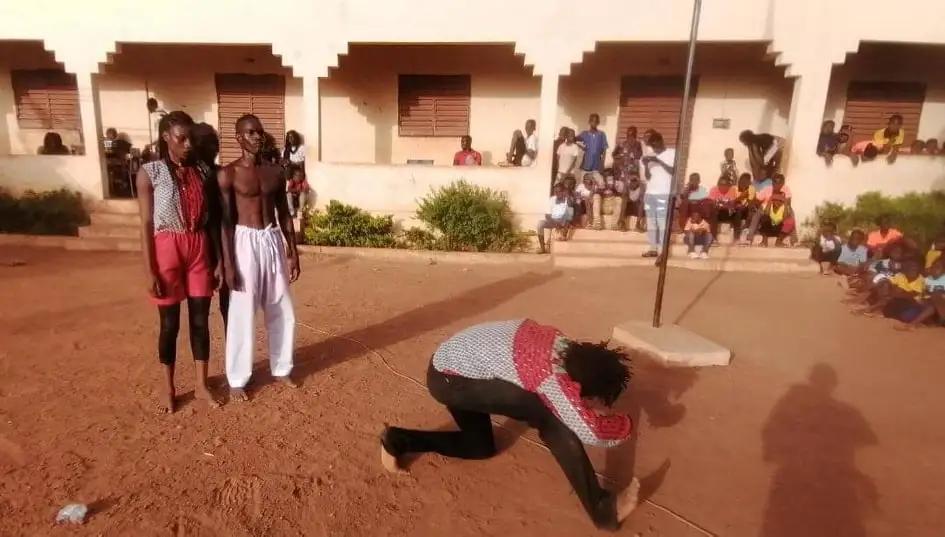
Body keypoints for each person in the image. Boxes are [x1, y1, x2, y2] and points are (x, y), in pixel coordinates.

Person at [379, 319, 640, 531]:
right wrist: (624, 424)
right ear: (580, 386)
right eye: (594, 398)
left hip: (452, 365)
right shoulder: (550, 376)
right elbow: (591, 432)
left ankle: (398, 440)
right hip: (450, 380)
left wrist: (583, 402)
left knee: (480, 446)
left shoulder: (561, 342)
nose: (597, 405)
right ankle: (603, 510)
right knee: (551, 417)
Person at [135, 111, 221, 413]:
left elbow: (212, 219)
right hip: (167, 246)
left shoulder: (202, 171)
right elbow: (146, 222)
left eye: (190, 139)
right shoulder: (151, 172)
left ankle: (201, 385)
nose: (187, 144)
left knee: (200, 320)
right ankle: (168, 388)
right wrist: (150, 270)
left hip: (198, 245)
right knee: (169, 324)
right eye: (180, 138)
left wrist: (217, 260)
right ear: (165, 137)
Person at [219, 114, 300, 401]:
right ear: (238, 137)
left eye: (260, 133)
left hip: (271, 238)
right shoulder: (228, 174)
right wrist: (228, 263)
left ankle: (281, 367)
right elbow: (226, 222)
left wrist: (293, 252)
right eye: (250, 133)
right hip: (243, 241)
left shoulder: (275, 172)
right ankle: (237, 377)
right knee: (242, 310)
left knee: (282, 307)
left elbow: (285, 214)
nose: (257, 137)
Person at [190, 122, 228, 328]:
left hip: (221, 240)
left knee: (228, 304)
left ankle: (235, 357)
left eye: (215, 142)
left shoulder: (220, 173)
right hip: (200, 245)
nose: (215, 148)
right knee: (199, 308)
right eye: (209, 143)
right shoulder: (190, 176)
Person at [640, 132, 675, 259]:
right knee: (651, 223)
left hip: (664, 193)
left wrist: (658, 160)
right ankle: (653, 248)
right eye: (651, 146)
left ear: (660, 141)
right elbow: (647, 177)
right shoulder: (649, 155)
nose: (653, 149)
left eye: (655, 145)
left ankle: (662, 252)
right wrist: (646, 166)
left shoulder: (672, 153)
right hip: (650, 193)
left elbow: (673, 171)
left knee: (662, 223)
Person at [895, 258, 945, 330]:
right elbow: (924, 293)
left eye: (937, 267)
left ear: (943, 270)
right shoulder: (927, 280)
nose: (934, 269)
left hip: (941, 304)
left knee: (936, 295)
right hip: (932, 305)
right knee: (924, 303)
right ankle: (913, 324)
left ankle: (913, 323)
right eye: (933, 267)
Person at [537, 182, 574, 253]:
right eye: (555, 191)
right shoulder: (552, 199)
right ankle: (542, 248)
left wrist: (563, 225)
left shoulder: (568, 200)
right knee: (540, 224)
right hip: (553, 221)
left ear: (563, 191)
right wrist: (555, 222)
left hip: (563, 221)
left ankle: (564, 235)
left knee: (568, 215)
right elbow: (547, 215)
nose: (557, 193)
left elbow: (569, 216)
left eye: (559, 191)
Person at [707, 176, 743, 243]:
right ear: (718, 185)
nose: (723, 187)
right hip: (718, 213)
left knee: (737, 213)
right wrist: (726, 205)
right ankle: (713, 238)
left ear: (729, 185)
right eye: (721, 185)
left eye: (725, 185)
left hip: (729, 213)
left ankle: (736, 238)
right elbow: (711, 203)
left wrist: (722, 204)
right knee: (713, 212)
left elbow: (735, 203)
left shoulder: (733, 190)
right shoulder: (714, 190)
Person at [576, 113, 609, 186]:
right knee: (583, 184)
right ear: (589, 122)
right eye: (592, 121)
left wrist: (602, 164)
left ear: (598, 123)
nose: (594, 123)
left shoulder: (601, 134)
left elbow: (604, 150)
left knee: (600, 184)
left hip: (597, 165)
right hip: (586, 164)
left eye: (596, 121)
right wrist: (582, 147)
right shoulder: (584, 133)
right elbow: (574, 139)